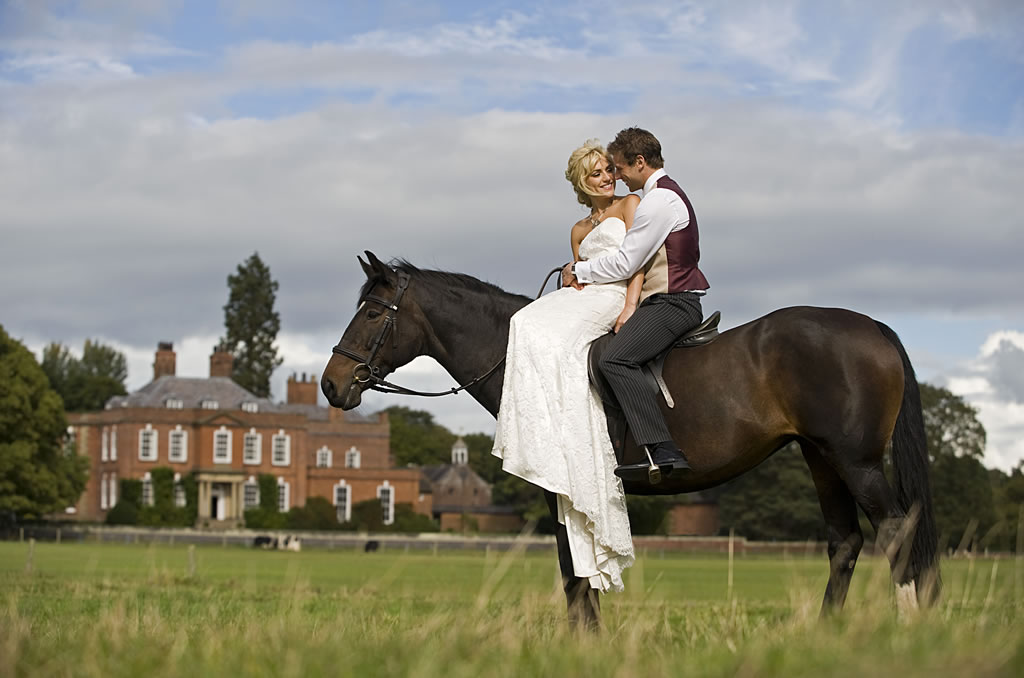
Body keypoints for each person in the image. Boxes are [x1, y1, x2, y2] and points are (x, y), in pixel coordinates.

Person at [492, 139, 641, 593]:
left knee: (545, 332)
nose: (607, 178)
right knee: (523, 322)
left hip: (613, 295)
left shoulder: (630, 205)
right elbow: (577, 272)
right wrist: (569, 272)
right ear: (582, 182)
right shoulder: (577, 229)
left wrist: (630, 305)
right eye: (597, 173)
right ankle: (544, 426)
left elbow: (637, 261)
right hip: (583, 296)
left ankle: (577, 427)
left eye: (608, 170)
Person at [561, 127, 710, 483]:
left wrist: (578, 270)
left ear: (639, 162)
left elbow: (627, 263)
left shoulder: (658, 201)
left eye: (619, 167)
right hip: (661, 300)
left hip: (672, 302)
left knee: (615, 359)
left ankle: (662, 448)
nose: (617, 176)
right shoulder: (661, 196)